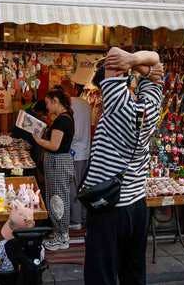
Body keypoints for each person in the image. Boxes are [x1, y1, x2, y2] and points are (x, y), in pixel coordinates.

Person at [83, 47, 164, 285]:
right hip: (137, 205)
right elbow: (156, 64)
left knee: (101, 274)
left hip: (108, 205)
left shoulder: (117, 106)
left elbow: (114, 53)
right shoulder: (151, 106)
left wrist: (131, 61)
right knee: (134, 272)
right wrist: (139, 63)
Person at [32, 89, 75, 251]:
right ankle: (59, 232)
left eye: (49, 103)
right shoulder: (64, 118)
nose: (47, 107)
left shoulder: (62, 121)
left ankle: (62, 236)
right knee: (56, 197)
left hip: (58, 163)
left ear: (56, 101)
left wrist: (38, 139)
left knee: (58, 199)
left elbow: (54, 145)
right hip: (58, 163)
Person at [56, 83, 92, 230]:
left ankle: (76, 220)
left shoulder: (70, 104)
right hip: (85, 150)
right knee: (82, 186)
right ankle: (83, 216)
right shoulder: (86, 104)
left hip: (74, 152)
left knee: (72, 187)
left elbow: (73, 132)